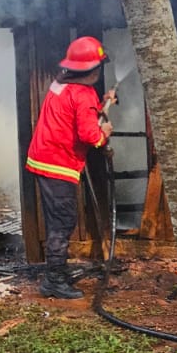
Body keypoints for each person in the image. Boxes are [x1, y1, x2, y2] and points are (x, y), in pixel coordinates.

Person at [26, 36, 115, 299]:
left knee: (58, 219)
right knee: (63, 221)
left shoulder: (60, 84)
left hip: (42, 157)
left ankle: (58, 272)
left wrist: (102, 103)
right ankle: (53, 281)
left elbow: (74, 112)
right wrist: (104, 133)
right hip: (58, 164)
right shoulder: (84, 94)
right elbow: (90, 136)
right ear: (91, 71)